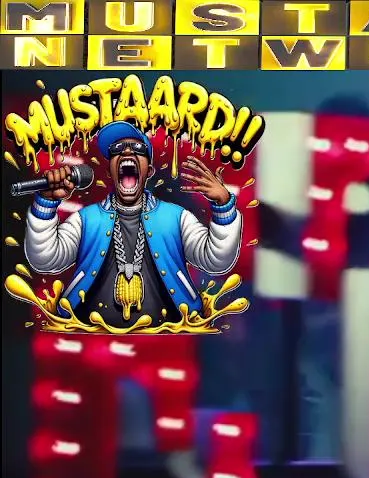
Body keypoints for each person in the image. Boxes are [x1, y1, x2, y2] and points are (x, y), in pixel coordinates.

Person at [23, 120, 242, 329]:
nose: (127, 152)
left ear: (150, 171)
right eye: (117, 149)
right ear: (109, 171)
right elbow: (45, 260)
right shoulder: (86, 219)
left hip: (166, 337)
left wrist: (223, 205)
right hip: (90, 335)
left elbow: (216, 262)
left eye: (138, 148)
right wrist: (46, 203)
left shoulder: (176, 217)